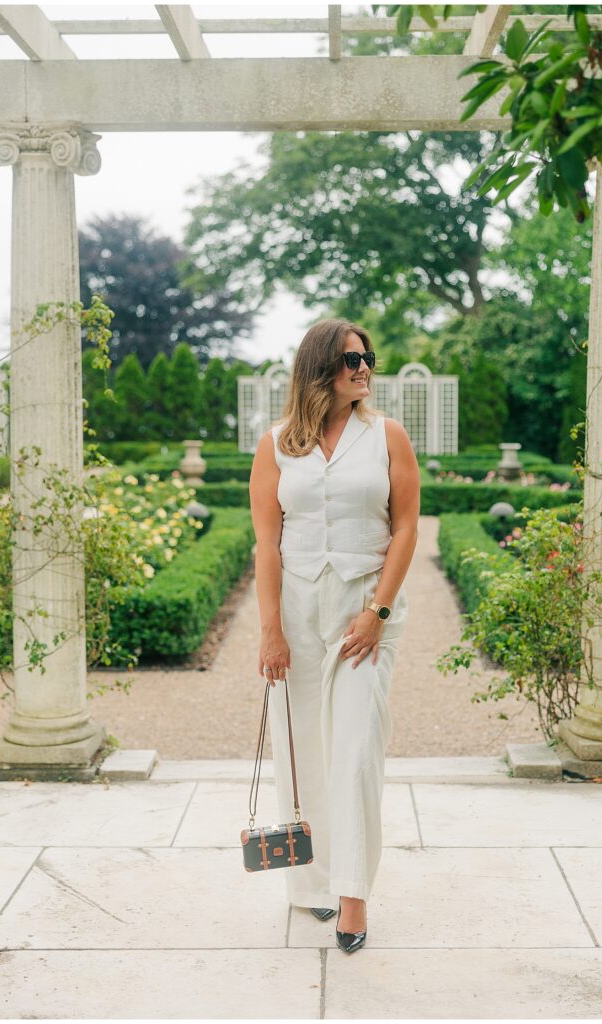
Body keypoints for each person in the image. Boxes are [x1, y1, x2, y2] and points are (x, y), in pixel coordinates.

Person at [249, 318, 420, 953]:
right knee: (302, 752)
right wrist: (270, 631)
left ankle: (352, 897)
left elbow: (405, 529)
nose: (365, 367)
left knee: (354, 752)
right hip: (295, 611)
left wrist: (377, 611)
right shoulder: (276, 444)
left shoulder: (388, 437)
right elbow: (267, 541)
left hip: (363, 611)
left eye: (368, 358)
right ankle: (311, 885)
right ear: (321, 366)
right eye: (352, 359)